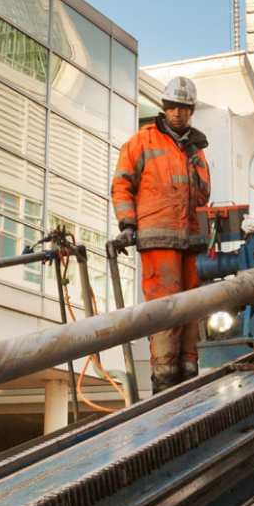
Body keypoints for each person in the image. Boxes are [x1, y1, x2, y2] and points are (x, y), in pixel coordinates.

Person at [110, 75, 211, 392]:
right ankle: (164, 385)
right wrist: (128, 225)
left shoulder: (196, 148)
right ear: (164, 108)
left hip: (192, 243)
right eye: (172, 107)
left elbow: (204, 194)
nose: (178, 114)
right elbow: (121, 185)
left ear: (191, 111)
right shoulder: (142, 141)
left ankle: (188, 377)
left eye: (183, 108)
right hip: (158, 241)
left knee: (192, 312)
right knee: (166, 312)